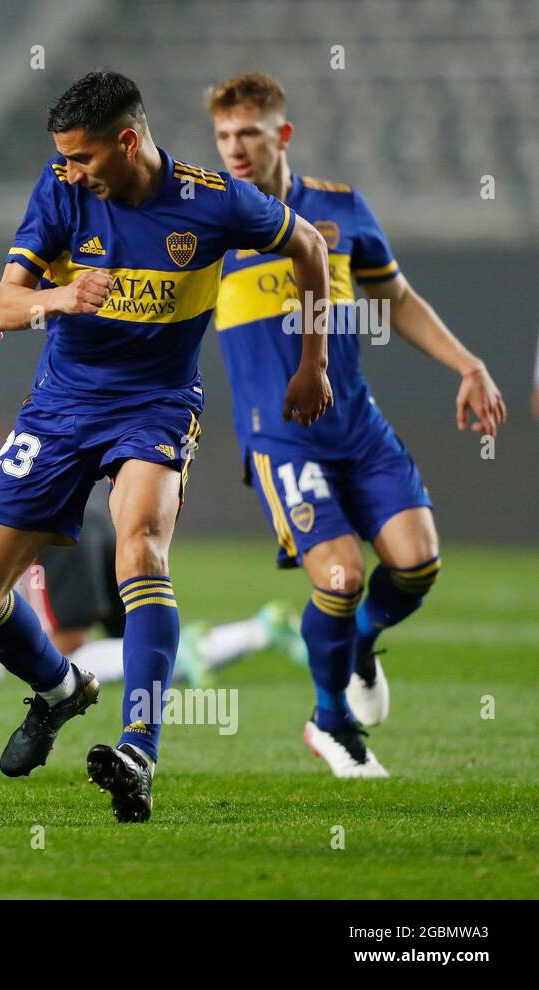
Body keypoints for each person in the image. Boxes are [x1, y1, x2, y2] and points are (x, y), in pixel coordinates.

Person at [0, 70, 334, 823]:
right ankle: (61, 693)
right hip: (60, 407)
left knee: (141, 550)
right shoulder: (59, 193)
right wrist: (60, 296)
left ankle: (139, 751)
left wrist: (313, 363)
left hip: (154, 406)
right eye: (62, 157)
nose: (69, 170)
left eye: (82, 157)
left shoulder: (212, 202)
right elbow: (6, 301)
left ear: (128, 141)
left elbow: (309, 245)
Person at [205, 73, 506, 777]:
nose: (235, 148)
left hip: (358, 426)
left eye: (248, 133)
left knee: (418, 563)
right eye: (223, 136)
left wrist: (468, 363)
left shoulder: (340, 208)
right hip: (280, 437)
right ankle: (332, 721)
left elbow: (395, 299)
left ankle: (362, 642)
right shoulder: (211, 223)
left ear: (281, 135)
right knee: (340, 574)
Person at [0, 513, 306, 686]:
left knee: (69, 653)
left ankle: (193, 654)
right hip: (85, 529)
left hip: (51, 543)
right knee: (141, 644)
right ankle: (258, 631)